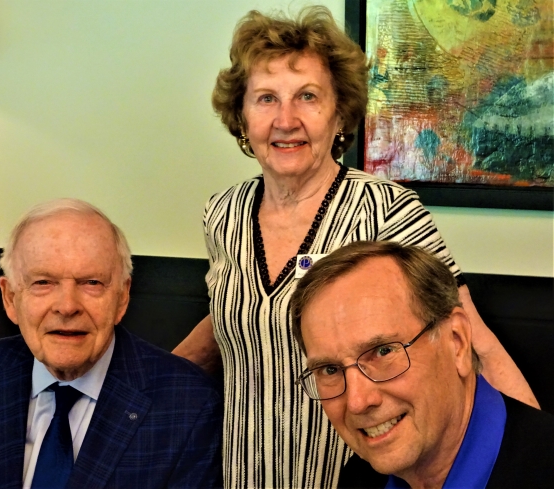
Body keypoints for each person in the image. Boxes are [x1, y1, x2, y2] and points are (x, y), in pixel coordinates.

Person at [172, 6, 538, 488]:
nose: (286, 120)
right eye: (266, 98)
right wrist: (125, 386)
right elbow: (233, 317)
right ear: (242, 116)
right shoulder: (222, 214)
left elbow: (475, 344)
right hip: (242, 474)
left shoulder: (387, 210)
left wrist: (536, 454)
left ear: (339, 111)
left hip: (354, 477)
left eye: (307, 96)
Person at [0, 198, 222, 489]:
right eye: (43, 282)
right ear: (10, 298)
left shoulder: (189, 407)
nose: (67, 306)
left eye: (91, 283)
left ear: (122, 297)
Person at [291, 241, 554, 488]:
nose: (357, 401)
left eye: (383, 351)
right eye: (330, 370)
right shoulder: (360, 478)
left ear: (457, 342)